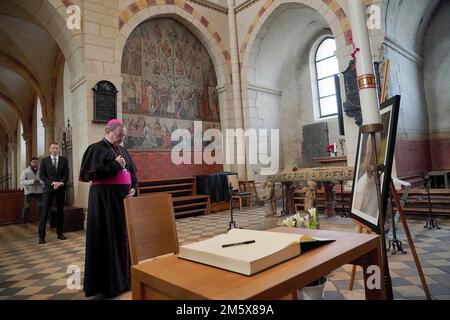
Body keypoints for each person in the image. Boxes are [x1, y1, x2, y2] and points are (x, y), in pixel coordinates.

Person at [79, 119, 138, 298]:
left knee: (124, 240)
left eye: (123, 136)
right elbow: (90, 175)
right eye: (119, 135)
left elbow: (133, 174)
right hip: (104, 202)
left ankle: (125, 281)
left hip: (123, 202)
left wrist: (134, 188)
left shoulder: (123, 150)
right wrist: (115, 165)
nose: (122, 139)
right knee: (109, 239)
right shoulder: (95, 149)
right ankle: (109, 285)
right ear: (108, 131)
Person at [39, 142, 69, 244]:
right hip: (48, 189)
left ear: (59, 149)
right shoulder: (44, 161)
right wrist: (52, 183)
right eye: (53, 148)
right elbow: (42, 175)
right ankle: (41, 236)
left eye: (57, 148)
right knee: (44, 212)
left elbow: (66, 173)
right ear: (49, 150)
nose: (55, 149)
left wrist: (60, 183)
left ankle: (60, 233)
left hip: (60, 189)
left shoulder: (64, 160)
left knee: (60, 211)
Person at [20, 157, 44, 227]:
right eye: (34, 162)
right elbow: (21, 182)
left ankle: (40, 221)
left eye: (36, 162)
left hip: (39, 191)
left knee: (40, 206)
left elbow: (45, 179)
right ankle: (24, 222)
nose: (35, 163)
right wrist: (32, 181)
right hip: (29, 191)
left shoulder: (41, 170)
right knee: (26, 206)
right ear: (31, 163)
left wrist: (40, 181)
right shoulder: (25, 171)